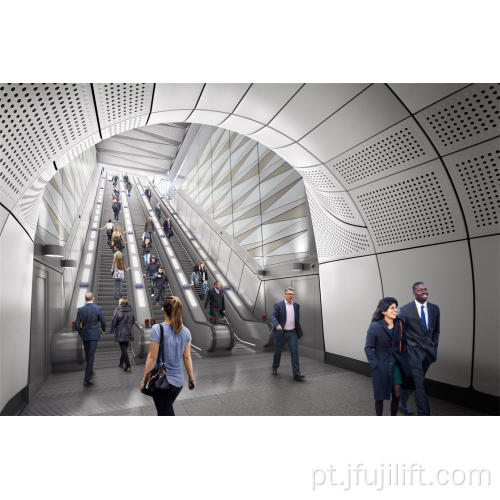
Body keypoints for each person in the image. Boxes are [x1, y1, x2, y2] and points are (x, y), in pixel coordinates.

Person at [140, 296, 195, 416]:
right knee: (164, 410)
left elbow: (152, 357)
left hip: (163, 382)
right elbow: (187, 357)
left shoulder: (157, 329)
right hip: (179, 382)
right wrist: (191, 378)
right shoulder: (186, 331)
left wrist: (144, 379)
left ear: (163, 309)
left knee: (165, 413)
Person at [364, 297, 415, 416]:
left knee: (397, 393)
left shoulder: (399, 324)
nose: (395, 310)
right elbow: (368, 348)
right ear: (383, 311)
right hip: (381, 365)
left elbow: (405, 342)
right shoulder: (375, 326)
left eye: (396, 307)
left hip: (396, 363)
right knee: (380, 396)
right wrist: (374, 364)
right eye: (392, 308)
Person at [398, 282, 440, 416]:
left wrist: (434, 347)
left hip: (428, 353)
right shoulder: (405, 310)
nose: (424, 291)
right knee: (419, 384)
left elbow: (436, 331)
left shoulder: (435, 309)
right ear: (414, 292)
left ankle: (402, 402)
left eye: (425, 289)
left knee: (415, 381)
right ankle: (424, 414)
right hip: (413, 352)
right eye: (420, 289)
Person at [270, 287, 305, 381]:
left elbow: (296, 319)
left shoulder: (296, 305)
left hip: (292, 333)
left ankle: (296, 374)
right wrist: (277, 325)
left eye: (292, 294)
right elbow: (273, 316)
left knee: (294, 352)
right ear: (285, 295)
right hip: (281, 333)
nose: (291, 296)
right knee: (277, 352)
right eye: (289, 294)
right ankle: (275, 367)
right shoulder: (278, 305)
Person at [75, 292, 106, 386]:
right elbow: (103, 321)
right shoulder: (97, 308)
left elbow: (77, 324)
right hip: (94, 335)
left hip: (85, 335)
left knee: (88, 354)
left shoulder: (81, 309)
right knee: (91, 356)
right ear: (93, 298)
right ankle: (86, 379)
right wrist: (103, 330)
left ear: (85, 299)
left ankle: (90, 370)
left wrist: (81, 332)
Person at [110, 297, 135, 372]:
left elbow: (114, 320)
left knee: (123, 348)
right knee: (124, 348)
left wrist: (112, 330)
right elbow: (133, 320)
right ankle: (121, 363)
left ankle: (128, 365)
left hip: (120, 331)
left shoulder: (117, 310)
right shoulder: (131, 310)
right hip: (128, 331)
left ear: (120, 303)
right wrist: (129, 326)